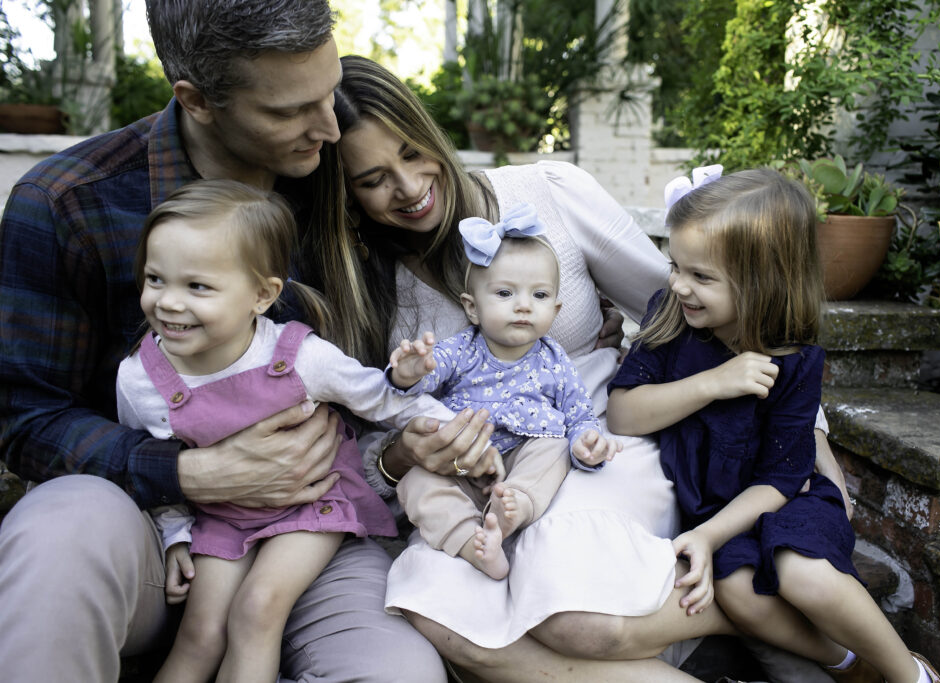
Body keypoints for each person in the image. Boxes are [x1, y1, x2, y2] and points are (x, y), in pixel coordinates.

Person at [305, 53, 850, 681]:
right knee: (429, 600)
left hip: (596, 444)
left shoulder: (544, 194)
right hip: (471, 490)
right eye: (372, 178)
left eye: (410, 151)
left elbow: (710, 309)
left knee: (568, 614)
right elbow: (373, 445)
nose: (406, 186)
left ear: (431, 132)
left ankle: (753, 609)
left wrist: (809, 438)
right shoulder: (363, 290)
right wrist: (404, 453)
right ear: (346, 194)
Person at [0, 4, 447, 681]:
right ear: (198, 100)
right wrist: (188, 473)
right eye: (291, 110)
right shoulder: (73, 203)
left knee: (395, 671)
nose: (329, 126)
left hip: (307, 532)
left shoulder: (342, 179)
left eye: (328, 92)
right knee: (58, 537)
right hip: (149, 528)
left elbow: (460, 231)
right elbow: (26, 417)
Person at [606, 167, 940, 683]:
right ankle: (848, 663)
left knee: (801, 572)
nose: (678, 284)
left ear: (762, 281)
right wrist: (715, 382)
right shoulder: (671, 318)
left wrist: (708, 534)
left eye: (700, 277)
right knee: (739, 591)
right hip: (719, 512)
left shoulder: (797, 360)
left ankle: (911, 675)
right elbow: (623, 414)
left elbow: (783, 477)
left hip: (787, 499)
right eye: (677, 266)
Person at [120, 179, 455, 682]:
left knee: (257, 610)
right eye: (155, 279)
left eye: (197, 286)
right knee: (201, 633)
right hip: (223, 517)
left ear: (262, 294)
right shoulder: (142, 378)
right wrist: (174, 534)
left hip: (310, 507)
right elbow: (156, 459)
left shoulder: (300, 357)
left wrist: (444, 423)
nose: (168, 303)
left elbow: (377, 397)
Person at [389, 206, 619, 580]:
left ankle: (515, 508)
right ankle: (473, 545)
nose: (524, 304)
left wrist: (585, 442)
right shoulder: (461, 349)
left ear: (556, 309)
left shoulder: (554, 361)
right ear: (472, 307)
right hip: (461, 465)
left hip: (523, 459)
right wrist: (409, 371)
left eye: (539, 295)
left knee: (554, 446)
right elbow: (423, 381)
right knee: (416, 482)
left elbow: (578, 413)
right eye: (505, 292)